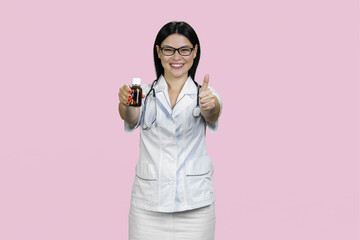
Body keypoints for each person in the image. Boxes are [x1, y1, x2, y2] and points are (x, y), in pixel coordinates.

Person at [118, 21, 223, 240]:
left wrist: (209, 105)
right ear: (158, 52)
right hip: (148, 208)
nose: (177, 57)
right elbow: (130, 117)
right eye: (168, 49)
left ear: (194, 52)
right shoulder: (143, 92)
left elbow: (213, 114)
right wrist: (126, 104)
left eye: (184, 50)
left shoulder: (205, 94)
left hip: (196, 207)